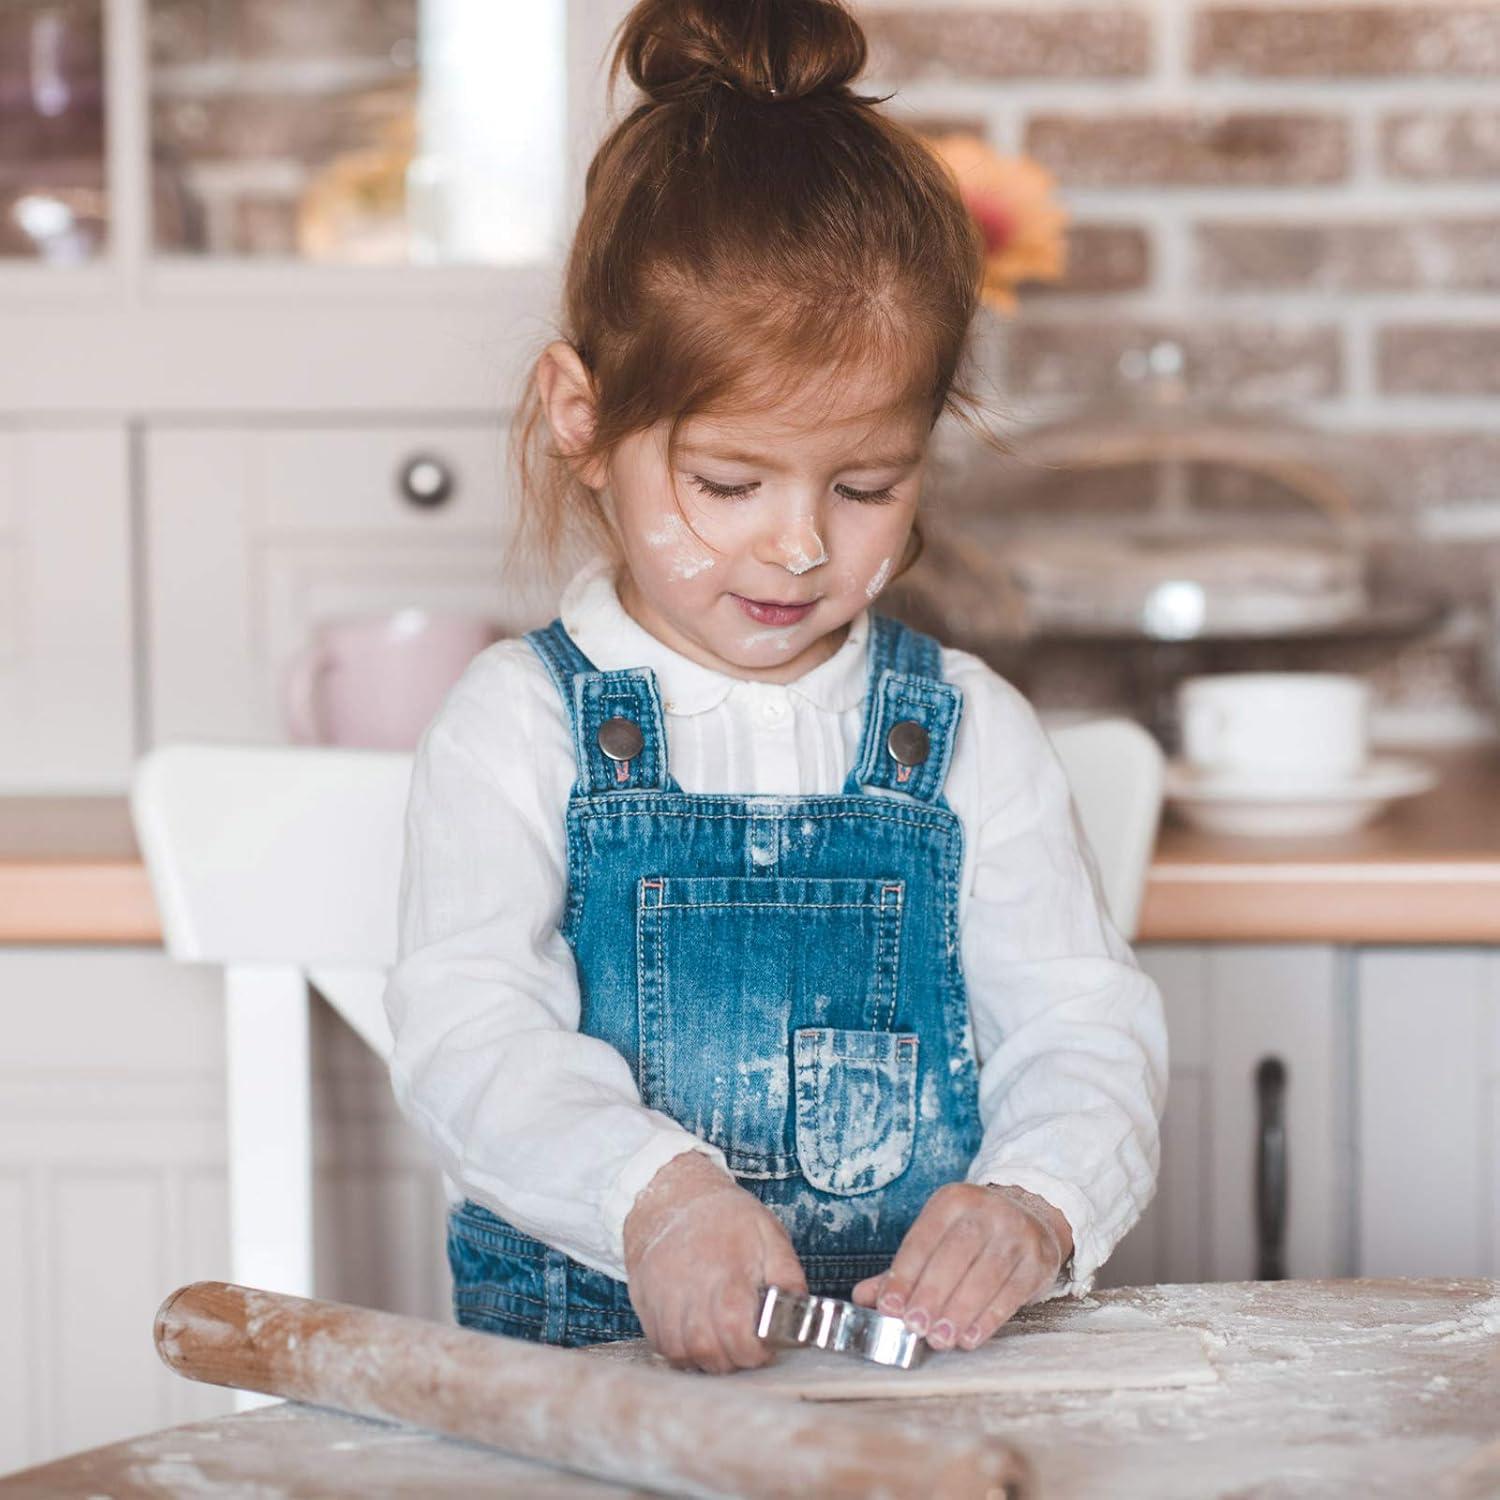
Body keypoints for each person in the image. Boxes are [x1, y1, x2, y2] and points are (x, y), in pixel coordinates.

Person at [383, 0, 1167, 1375]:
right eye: (730, 483)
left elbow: (1079, 1023)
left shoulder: (968, 731)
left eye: (867, 486)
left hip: (912, 1399)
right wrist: (657, 1196)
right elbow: (469, 1038)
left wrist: (1039, 1199)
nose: (801, 546)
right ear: (584, 417)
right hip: (587, 1397)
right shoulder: (517, 727)